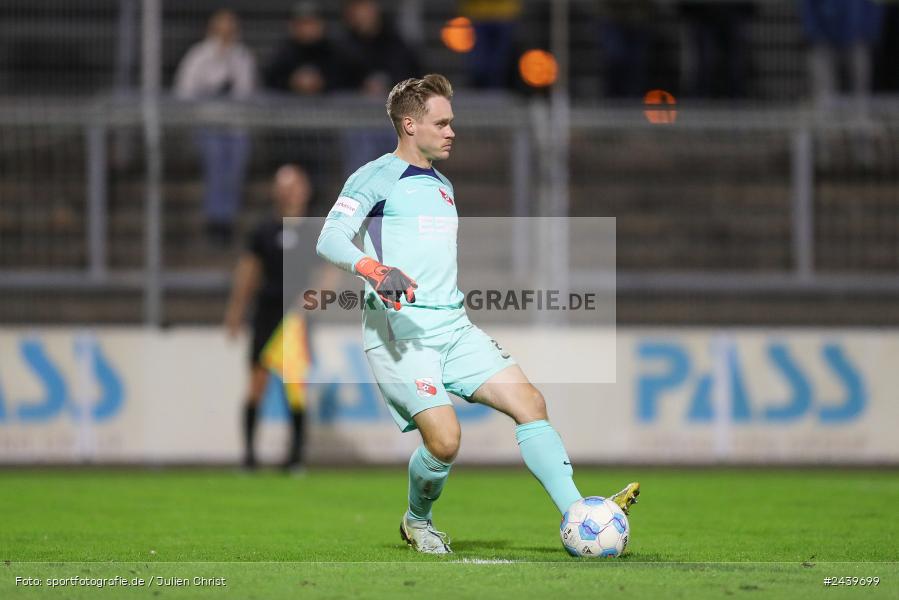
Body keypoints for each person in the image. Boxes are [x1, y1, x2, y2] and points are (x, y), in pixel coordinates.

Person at [316, 74, 640, 553]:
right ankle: (417, 521)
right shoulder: (376, 176)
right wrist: (374, 269)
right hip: (401, 332)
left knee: (529, 403)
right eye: (441, 123)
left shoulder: (442, 184)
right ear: (409, 124)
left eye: (452, 123)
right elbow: (329, 237)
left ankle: (579, 512)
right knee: (445, 441)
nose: (451, 132)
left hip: (453, 326)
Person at [225, 164, 329, 471]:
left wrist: (313, 298)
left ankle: (295, 457)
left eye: (294, 185)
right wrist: (235, 311)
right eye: (282, 186)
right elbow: (248, 272)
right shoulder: (263, 231)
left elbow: (329, 272)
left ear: (305, 189)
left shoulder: (314, 232)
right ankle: (249, 456)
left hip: (296, 317)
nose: (288, 192)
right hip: (267, 312)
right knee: (257, 381)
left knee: (294, 384)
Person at [174, 9, 256, 246]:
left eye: (229, 30)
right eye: (221, 29)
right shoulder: (198, 55)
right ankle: (215, 221)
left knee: (234, 170)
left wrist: (227, 64)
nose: (225, 35)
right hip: (207, 126)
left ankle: (227, 220)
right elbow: (184, 92)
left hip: (235, 127)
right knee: (216, 166)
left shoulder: (242, 56)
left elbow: (246, 92)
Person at [264, 1, 339, 96]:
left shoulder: (333, 51)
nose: (307, 29)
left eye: (311, 23)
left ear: (321, 25)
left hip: (331, 108)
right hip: (289, 108)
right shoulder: (283, 52)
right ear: (292, 27)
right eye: (302, 24)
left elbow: (345, 80)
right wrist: (292, 82)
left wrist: (322, 82)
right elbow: (270, 81)